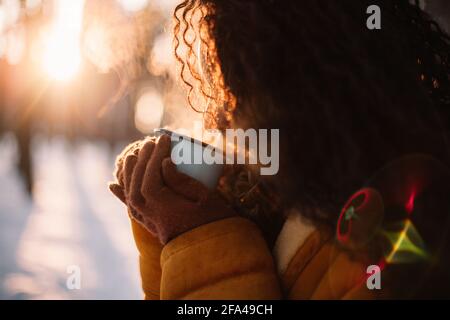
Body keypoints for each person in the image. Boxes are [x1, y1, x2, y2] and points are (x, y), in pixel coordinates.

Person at [109, 0, 450, 299]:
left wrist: (203, 238)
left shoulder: (402, 227)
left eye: (240, 88)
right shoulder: (276, 195)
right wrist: (168, 234)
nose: (225, 117)